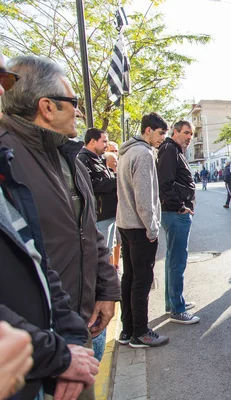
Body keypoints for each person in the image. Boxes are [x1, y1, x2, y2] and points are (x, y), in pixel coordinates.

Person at [0, 55, 120, 398]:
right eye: (74, 102)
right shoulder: (7, 157)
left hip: (71, 333)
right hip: (30, 354)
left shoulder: (69, 157)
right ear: (47, 107)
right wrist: (55, 352)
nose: (80, 112)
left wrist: (106, 289)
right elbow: (32, 257)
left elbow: (88, 231)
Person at [116, 112, 169, 348]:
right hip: (139, 227)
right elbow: (144, 199)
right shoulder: (144, 154)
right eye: (160, 134)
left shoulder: (126, 152)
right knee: (142, 280)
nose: (161, 139)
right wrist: (152, 228)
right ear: (148, 130)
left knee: (129, 278)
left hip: (125, 225)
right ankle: (140, 332)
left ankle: (127, 330)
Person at [77, 128, 119, 362]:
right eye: (103, 141)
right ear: (92, 141)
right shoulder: (83, 160)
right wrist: (113, 177)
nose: (106, 144)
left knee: (107, 249)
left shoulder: (94, 159)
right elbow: (98, 186)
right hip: (100, 218)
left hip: (106, 217)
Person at [156, 121, 199, 325]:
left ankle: (173, 302)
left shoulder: (173, 149)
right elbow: (165, 182)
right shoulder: (169, 149)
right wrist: (180, 206)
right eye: (186, 133)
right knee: (177, 261)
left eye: (191, 133)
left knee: (173, 259)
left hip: (175, 211)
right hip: (175, 213)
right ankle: (177, 309)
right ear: (175, 132)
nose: (189, 137)